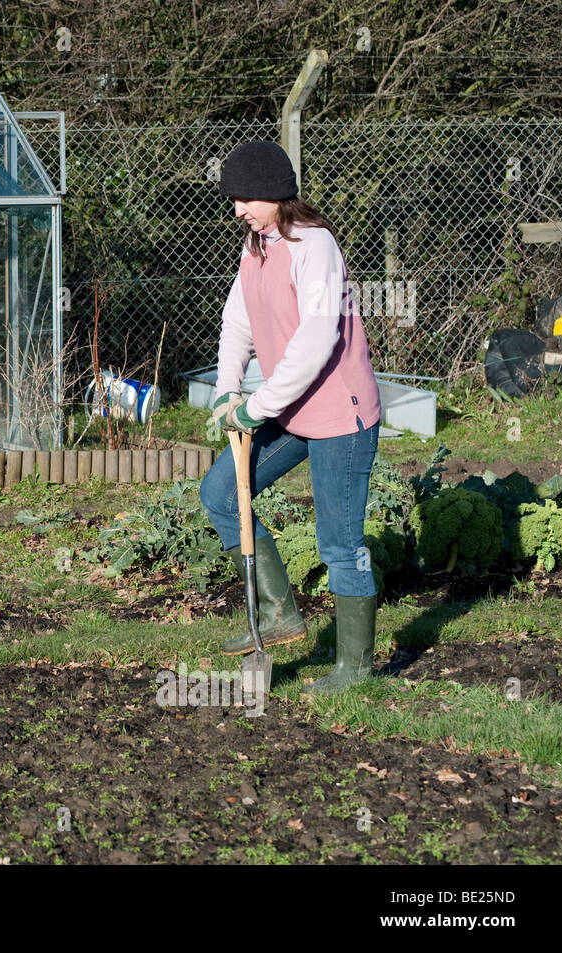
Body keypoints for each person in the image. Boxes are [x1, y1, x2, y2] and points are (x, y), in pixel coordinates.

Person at [199, 140, 381, 695]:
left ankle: (355, 668)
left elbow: (317, 339)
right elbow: (239, 321)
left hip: (340, 417)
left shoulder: (315, 245)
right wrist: (229, 390)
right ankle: (280, 615)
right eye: (234, 200)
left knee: (339, 543)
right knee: (221, 495)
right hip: (293, 412)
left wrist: (257, 407)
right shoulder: (257, 245)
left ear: (277, 193)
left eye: (246, 198)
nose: (238, 211)